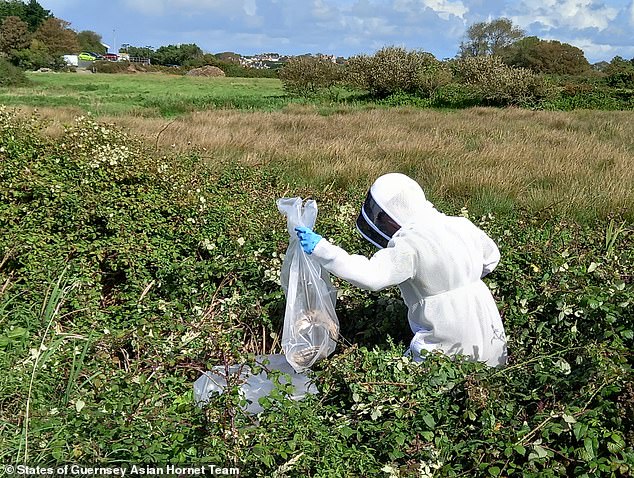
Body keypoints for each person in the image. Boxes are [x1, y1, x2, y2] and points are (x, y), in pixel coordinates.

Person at [295, 173, 507, 367]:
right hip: (489, 328)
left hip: (446, 334)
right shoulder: (459, 224)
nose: (381, 223)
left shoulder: (410, 243)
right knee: (488, 377)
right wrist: (459, 279)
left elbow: (371, 276)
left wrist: (323, 249)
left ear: (391, 214)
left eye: (381, 217)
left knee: (429, 386)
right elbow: (491, 258)